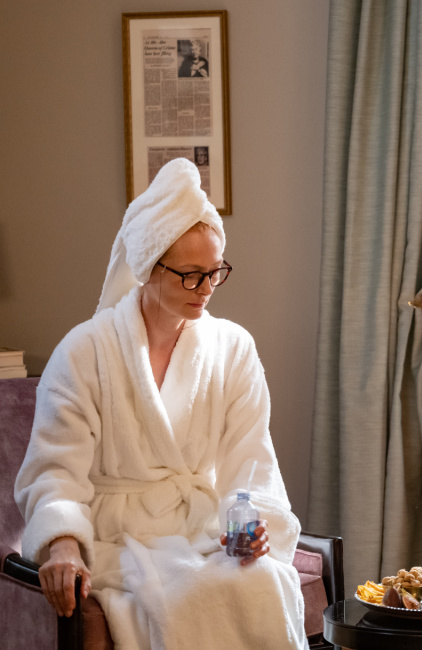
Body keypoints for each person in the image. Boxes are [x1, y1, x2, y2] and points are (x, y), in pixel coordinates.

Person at [14, 159, 306, 648]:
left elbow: (251, 459)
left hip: (203, 533)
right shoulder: (85, 351)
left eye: (216, 272)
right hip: (116, 539)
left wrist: (254, 526)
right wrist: (62, 542)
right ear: (149, 265)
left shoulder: (234, 348)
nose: (208, 289)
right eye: (192, 275)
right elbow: (54, 472)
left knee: (262, 583)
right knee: (191, 591)